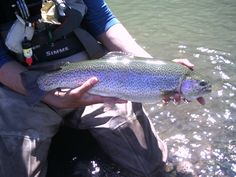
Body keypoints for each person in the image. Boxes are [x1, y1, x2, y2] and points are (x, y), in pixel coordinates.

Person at [0, 0, 205, 177]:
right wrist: (48, 95)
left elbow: (103, 20)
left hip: (95, 73)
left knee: (149, 164)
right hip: (18, 78)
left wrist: (155, 67)